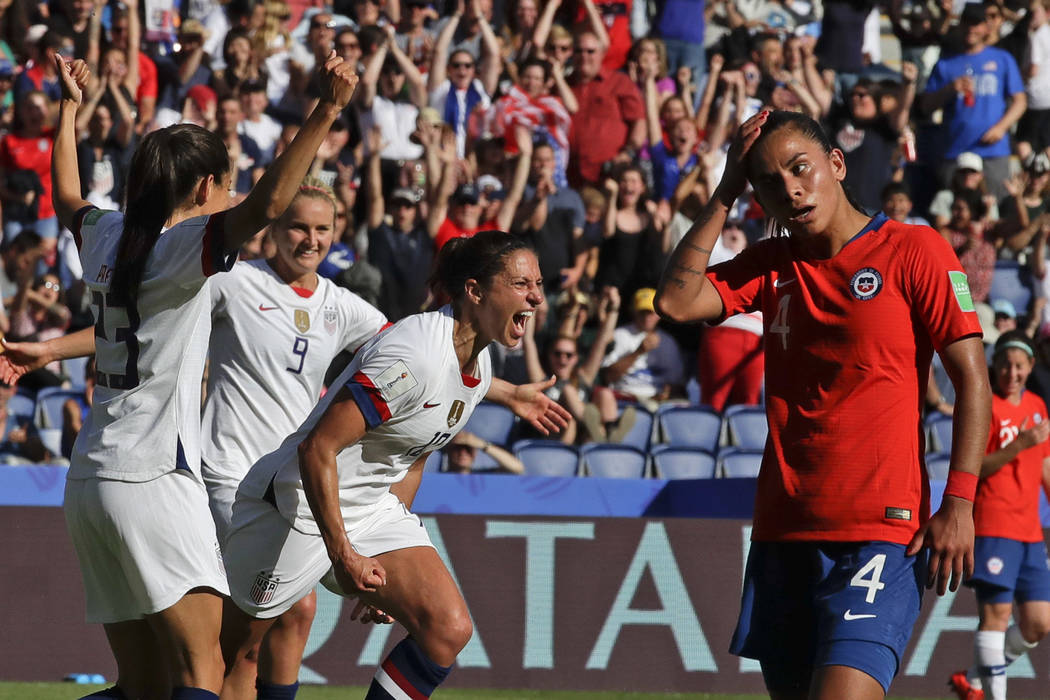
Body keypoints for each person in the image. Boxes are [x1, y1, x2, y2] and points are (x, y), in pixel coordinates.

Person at [0, 51, 362, 700]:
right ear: (202, 190)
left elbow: (67, 197)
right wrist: (328, 109)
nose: (229, 196)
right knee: (204, 676)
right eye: (224, 184)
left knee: (145, 687)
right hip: (152, 481)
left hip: (91, 483)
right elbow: (272, 200)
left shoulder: (107, 236)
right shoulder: (180, 249)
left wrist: (70, 110)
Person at [655, 109, 992, 699]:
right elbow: (676, 303)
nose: (789, 188)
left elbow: (971, 379)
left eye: (799, 168)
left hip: (880, 532)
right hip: (784, 530)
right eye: (767, 181)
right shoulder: (772, 266)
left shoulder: (914, 249)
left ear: (836, 164)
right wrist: (726, 190)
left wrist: (960, 501)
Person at [219, 231, 568, 700]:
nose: (537, 297)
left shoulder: (479, 367)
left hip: (367, 509)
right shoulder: (414, 354)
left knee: (447, 628)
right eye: (523, 283)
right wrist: (346, 555)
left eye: (539, 284)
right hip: (293, 505)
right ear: (475, 290)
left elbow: (412, 460)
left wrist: (378, 554)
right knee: (237, 658)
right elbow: (317, 450)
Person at [201, 177, 390, 700]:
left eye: (322, 229)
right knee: (271, 613)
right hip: (228, 472)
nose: (310, 239)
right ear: (272, 230)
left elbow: (411, 354)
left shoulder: (341, 304)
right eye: (298, 227)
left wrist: (506, 392)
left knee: (283, 614)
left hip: (287, 481)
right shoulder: (234, 282)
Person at [949, 331, 1050, 700]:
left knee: (1039, 624)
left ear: (1030, 367)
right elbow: (973, 467)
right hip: (994, 525)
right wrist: (1019, 444)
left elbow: (1045, 465)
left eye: (1019, 366)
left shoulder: (1037, 406)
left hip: (1030, 532)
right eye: (1006, 365)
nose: (1012, 372)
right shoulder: (986, 405)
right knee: (995, 618)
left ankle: (974, 678)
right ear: (995, 366)